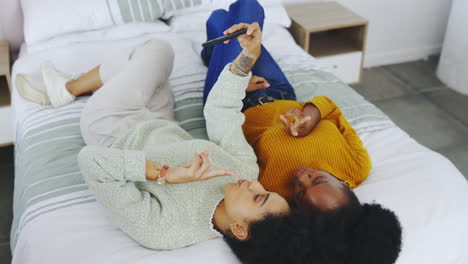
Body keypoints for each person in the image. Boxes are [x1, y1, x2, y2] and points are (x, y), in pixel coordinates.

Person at [40, 37, 291, 250]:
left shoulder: (164, 230)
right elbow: (221, 113)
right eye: (266, 190)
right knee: (161, 51)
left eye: (258, 198)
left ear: (239, 229)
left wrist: (167, 174)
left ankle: (69, 88)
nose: (256, 184)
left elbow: (91, 161)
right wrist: (248, 56)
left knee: (151, 53)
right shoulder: (245, 172)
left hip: (112, 126)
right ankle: (90, 82)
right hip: (161, 119)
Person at [202, 0, 402, 263]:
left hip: (236, 99)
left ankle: (217, 56)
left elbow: (230, 136)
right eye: (317, 179)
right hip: (280, 91)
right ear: (344, 185)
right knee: (235, 16)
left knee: (242, 14)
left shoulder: (271, 191)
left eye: (299, 191)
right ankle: (213, 53)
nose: (301, 176)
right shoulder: (357, 166)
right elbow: (331, 109)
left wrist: (238, 83)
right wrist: (310, 115)